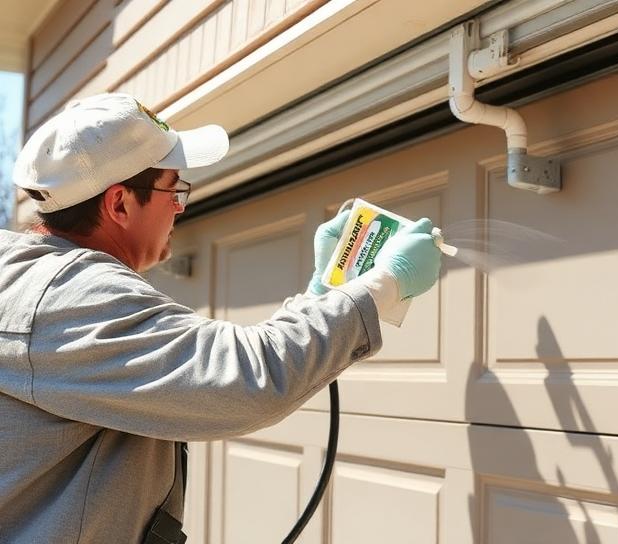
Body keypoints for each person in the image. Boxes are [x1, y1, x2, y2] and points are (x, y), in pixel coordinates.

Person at [0, 93, 441, 542]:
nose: (180, 206)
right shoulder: (68, 295)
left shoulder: (26, 278)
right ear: (119, 205)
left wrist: (322, 297)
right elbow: (245, 378)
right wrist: (383, 285)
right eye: (173, 189)